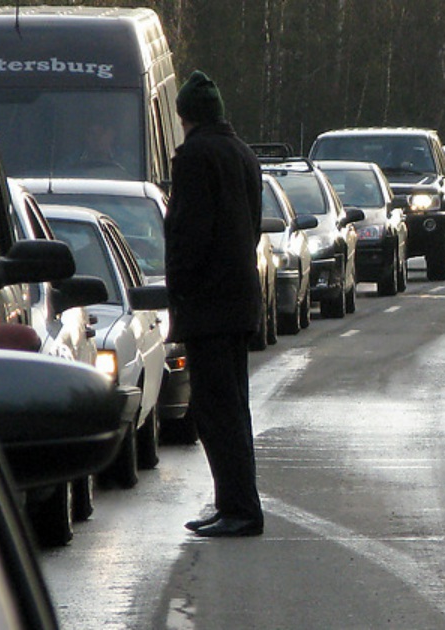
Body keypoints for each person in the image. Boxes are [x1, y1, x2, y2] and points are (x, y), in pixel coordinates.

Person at [164, 70, 265, 538]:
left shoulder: (194, 158)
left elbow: (189, 233)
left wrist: (179, 287)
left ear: (187, 117)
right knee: (232, 408)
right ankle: (234, 504)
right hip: (240, 301)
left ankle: (240, 509)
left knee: (214, 411)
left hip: (209, 306)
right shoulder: (243, 155)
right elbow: (253, 227)